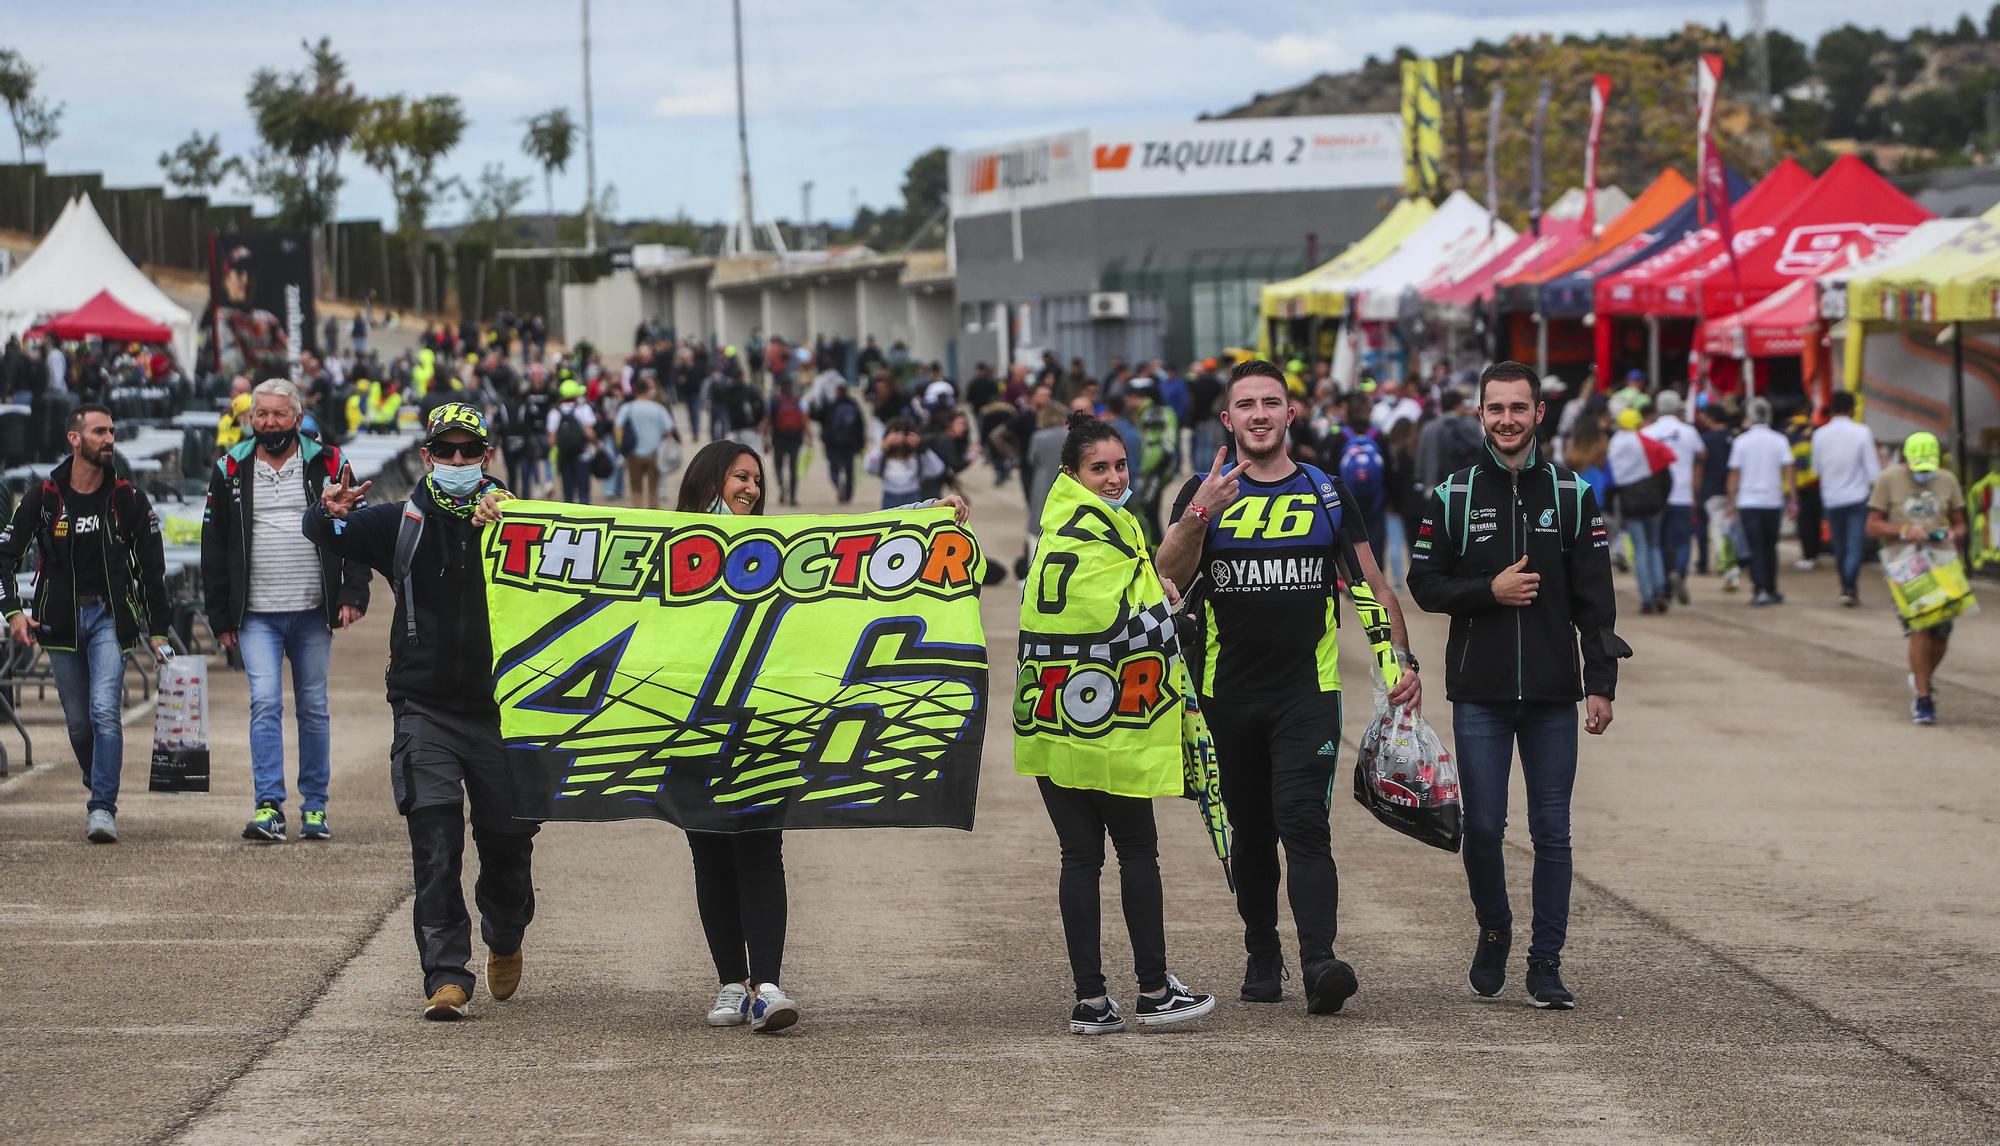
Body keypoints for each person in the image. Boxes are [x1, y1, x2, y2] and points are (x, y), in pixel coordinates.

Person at [1154, 359, 1423, 1016]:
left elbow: (1372, 587)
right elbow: (1164, 578)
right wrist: (1199, 513)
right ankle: (1260, 950)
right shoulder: (1204, 489)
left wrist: (1401, 666)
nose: (1259, 414)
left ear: (1291, 414)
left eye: (1271, 402)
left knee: (1304, 823)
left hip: (1307, 693)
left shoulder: (1327, 493)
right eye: (1246, 404)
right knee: (1249, 833)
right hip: (1225, 695)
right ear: (1228, 419)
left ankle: (1319, 961)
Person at [302, 403, 538, 1021]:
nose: (458, 462)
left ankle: (506, 932)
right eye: (446, 452)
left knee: (509, 848)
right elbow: (324, 533)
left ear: (486, 457)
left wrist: (510, 512)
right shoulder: (398, 522)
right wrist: (325, 511)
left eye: (470, 452)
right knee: (434, 843)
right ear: (428, 457)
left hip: (500, 712)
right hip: (423, 708)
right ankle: (446, 974)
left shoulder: (519, 520)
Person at [1406, 360, 1624, 1010]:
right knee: (1485, 828)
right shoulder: (1453, 495)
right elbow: (1424, 583)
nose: (1506, 419)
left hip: (1555, 694)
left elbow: (1597, 600)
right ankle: (1494, 929)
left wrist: (1601, 683)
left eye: (1517, 408)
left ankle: (1545, 963)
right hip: (1482, 693)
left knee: (1553, 831)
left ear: (1538, 414)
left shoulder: (1572, 494)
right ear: (1480, 415)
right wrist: (1489, 592)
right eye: (1495, 408)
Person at [1016, 412, 1216, 1035]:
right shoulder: (1099, 534)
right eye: (1098, 468)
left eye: (1120, 465)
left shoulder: (1055, 533)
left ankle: (1092, 1001)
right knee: (1134, 852)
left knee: (1079, 857)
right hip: (1107, 721)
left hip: (1053, 721)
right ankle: (1154, 991)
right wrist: (1181, 612)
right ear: (1071, 473)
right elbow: (1131, 624)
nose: (1113, 478)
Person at [201, 380, 372, 843]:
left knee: (313, 707)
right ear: (250, 419)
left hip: (313, 612)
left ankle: (314, 807)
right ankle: (268, 806)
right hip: (255, 614)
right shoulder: (230, 467)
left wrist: (353, 591)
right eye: (262, 415)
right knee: (264, 703)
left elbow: (358, 527)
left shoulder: (330, 463)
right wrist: (220, 617)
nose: (270, 423)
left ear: (298, 419)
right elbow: (213, 546)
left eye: (279, 415)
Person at [0, 404, 174, 843]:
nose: (109, 438)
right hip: (58, 621)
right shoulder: (45, 495)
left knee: (103, 713)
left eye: (112, 431)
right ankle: (97, 777)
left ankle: (102, 807)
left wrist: (157, 629)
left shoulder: (127, 497)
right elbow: (5, 557)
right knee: (79, 723)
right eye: (99, 431)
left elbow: (153, 568)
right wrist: (14, 611)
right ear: (75, 439)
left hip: (110, 619)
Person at [1865, 432, 1967, 725]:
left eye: (1928, 468)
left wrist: (1951, 533)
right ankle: (1924, 699)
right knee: (1920, 628)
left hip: (1943, 561)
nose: (1924, 473)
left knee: (1941, 636)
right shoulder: (1888, 480)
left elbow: (1960, 523)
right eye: (1918, 467)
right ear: (1907, 460)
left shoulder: (1947, 480)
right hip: (1905, 562)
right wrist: (1902, 531)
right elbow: (1872, 526)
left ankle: (1921, 676)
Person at [1812, 391, 1880, 607]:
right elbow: (1872, 469)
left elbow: (1817, 467)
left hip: (1831, 496)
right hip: (1857, 496)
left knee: (1839, 544)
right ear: (1852, 409)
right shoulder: (1862, 432)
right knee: (1854, 543)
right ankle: (1850, 584)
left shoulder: (1820, 434)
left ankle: (1845, 584)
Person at [1727, 398, 1795, 606]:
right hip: (1772, 501)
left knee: (1755, 547)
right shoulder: (1780, 440)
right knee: (1770, 546)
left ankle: (1760, 588)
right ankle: (1771, 586)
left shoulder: (1741, 441)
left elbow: (1734, 474)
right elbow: (1789, 469)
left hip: (1748, 502)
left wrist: (1732, 501)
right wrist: (1793, 498)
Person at [1642, 390, 1704, 605]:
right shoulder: (1689, 432)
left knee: (1658, 542)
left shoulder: (1648, 432)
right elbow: (1701, 456)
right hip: (1683, 494)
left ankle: (1663, 583)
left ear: (1658, 408)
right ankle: (1679, 571)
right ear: (1679, 408)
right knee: (1682, 540)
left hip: (1656, 496)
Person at [1609, 407, 1671, 614]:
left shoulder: (1615, 445)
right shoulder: (1648, 443)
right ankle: (1660, 589)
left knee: (1640, 549)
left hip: (1631, 504)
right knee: (1654, 547)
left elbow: (1611, 480)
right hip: (1654, 503)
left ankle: (1646, 597)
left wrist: (1612, 506)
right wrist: (1662, 499)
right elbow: (1666, 473)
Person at [1129, 377, 1179, 545]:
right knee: (1150, 510)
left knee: (1147, 510)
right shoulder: (1160, 411)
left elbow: (1157, 446)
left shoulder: (1154, 413)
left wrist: (1145, 470)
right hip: (1160, 467)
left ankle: (1154, 552)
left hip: (1156, 468)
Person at [865, 418, 947, 511]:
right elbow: (868, 466)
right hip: (889, 496)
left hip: (912, 495)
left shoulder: (917, 455)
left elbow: (938, 469)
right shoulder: (883, 455)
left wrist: (921, 447)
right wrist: (884, 446)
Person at [547, 379, 600, 504]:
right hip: (582, 455)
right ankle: (585, 519)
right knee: (583, 491)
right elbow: (589, 432)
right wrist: (597, 444)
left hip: (564, 456)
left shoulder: (555, 412)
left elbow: (551, 440)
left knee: (568, 492)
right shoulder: (583, 409)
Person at [766, 376, 812, 507]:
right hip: (795, 437)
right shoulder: (799, 401)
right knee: (793, 467)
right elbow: (804, 420)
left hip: (778, 437)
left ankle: (781, 486)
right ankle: (792, 497)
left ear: (780, 387)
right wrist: (809, 437)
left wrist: (765, 438)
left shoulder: (774, 400)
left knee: (778, 465)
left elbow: (768, 420)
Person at [819, 383, 866, 504]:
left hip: (834, 443)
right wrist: (861, 444)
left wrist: (825, 440)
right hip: (850, 443)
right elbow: (860, 426)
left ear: (837, 392)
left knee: (834, 467)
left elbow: (826, 424)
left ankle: (837, 483)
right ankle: (848, 495)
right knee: (850, 469)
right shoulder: (853, 405)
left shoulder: (832, 405)